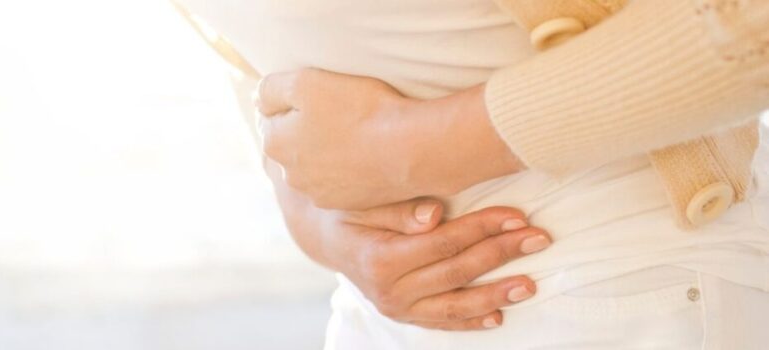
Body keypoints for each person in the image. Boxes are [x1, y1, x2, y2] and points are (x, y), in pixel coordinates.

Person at [176, 0, 769, 348]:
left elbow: (747, 22)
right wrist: (318, 221)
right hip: (382, 309)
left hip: (609, 288)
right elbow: (254, 58)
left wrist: (405, 149)